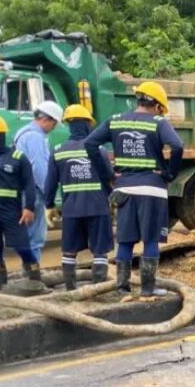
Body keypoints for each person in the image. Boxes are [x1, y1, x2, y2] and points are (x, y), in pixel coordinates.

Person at [84, 81, 184, 300]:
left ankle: (122, 289)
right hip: (152, 189)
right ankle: (148, 289)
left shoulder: (115, 120)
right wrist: (169, 174)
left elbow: (90, 143)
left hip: (124, 190)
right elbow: (177, 146)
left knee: (126, 240)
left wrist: (109, 175)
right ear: (157, 105)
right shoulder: (158, 123)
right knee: (151, 240)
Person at [44, 105, 113, 291]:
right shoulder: (98, 150)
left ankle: (70, 290)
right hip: (98, 208)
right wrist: (111, 199)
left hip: (71, 210)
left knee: (69, 250)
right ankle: (99, 289)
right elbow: (108, 178)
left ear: (68, 124)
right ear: (88, 124)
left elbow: (50, 183)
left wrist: (49, 205)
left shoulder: (58, 151)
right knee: (99, 250)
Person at [0, 115, 40, 291]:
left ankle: (36, 280)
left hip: (12, 212)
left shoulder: (18, 158)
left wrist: (29, 208)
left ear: (0, 135)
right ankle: (1, 286)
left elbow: (29, 185)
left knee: (23, 247)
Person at [13, 100, 63, 262]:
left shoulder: (22, 132)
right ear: (46, 119)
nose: (54, 127)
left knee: (26, 235)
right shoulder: (35, 137)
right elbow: (39, 169)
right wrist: (49, 197)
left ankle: (28, 270)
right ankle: (32, 273)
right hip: (33, 193)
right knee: (34, 238)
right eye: (54, 123)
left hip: (22, 190)